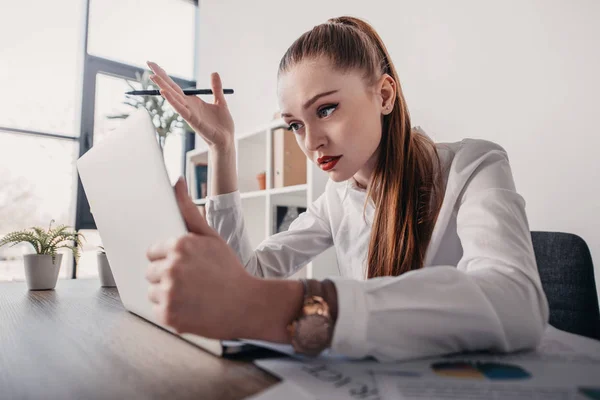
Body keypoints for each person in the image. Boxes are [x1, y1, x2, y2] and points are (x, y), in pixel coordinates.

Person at [144, 16, 549, 362]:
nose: (311, 142)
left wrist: (304, 308)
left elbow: (516, 302)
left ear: (384, 95)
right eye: (295, 125)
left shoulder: (475, 166)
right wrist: (222, 148)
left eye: (326, 109)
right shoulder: (335, 201)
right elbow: (244, 278)